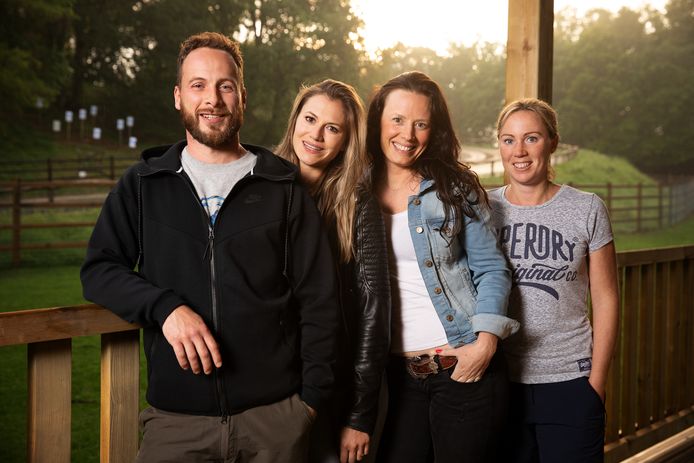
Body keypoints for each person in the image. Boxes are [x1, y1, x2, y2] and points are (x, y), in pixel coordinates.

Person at [80, 32, 339, 463]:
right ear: (179, 96)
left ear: (241, 96)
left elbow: (321, 300)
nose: (212, 99)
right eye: (198, 85)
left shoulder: (282, 187)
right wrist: (165, 308)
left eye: (225, 86)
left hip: (275, 421)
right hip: (176, 422)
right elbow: (99, 270)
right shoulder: (144, 184)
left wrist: (309, 403)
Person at [366, 71, 518, 463]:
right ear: (378, 120)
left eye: (421, 124)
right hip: (398, 378)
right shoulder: (355, 191)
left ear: (434, 131)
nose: (408, 134)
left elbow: (492, 268)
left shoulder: (453, 187)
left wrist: (485, 343)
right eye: (397, 120)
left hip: (463, 366)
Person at [489, 98, 619, 463]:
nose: (519, 151)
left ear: (552, 142)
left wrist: (596, 382)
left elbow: (606, 297)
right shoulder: (482, 208)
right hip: (500, 383)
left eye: (531, 138)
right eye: (508, 139)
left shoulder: (586, 208)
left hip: (571, 382)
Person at [276, 79, 391, 463]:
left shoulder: (357, 203)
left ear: (346, 140)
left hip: (333, 386)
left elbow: (374, 312)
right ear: (294, 121)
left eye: (332, 128)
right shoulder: (260, 185)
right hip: (268, 385)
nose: (316, 135)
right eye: (310, 119)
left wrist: (360, 414)